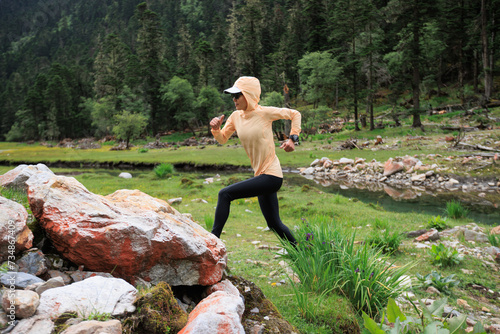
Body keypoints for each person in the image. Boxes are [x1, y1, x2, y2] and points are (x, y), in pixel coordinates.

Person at [209, 76, 301, 245]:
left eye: (238, 95)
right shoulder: (235, 117)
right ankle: (304, 254)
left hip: (272, 176)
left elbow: (295, 114)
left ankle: (212, 242)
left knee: (225, 194)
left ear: (249, 95)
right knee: (274, 224)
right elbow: (223, 139)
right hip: (261, 175)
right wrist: (216, 130)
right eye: (232, 96)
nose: (234, 99)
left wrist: (292, 139)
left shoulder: (264, 112)